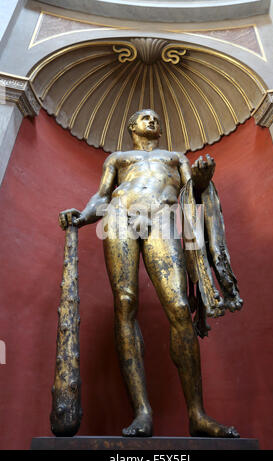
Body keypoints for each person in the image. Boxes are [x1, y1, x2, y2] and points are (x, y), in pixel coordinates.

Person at [59, 109, 241, 438]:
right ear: (131, 127)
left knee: (178, 305)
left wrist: (202, 179)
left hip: (162, 216)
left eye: (157, 117)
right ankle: (142, 411)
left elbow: (192, 195)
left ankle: (197, 413)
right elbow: (102, 195)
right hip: (119, 216)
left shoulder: (175, 157)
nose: (153, 121)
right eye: (145, 117)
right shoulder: (118, 157)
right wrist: (82, 215)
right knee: (125, 303)